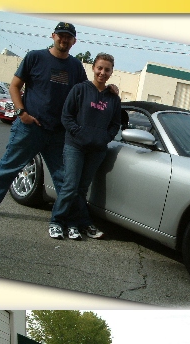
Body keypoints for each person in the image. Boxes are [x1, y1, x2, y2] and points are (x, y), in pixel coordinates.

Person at [0, 22, 87, 219]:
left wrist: (108, 90)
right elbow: (14, 86)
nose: (64, 39)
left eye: (68, 36)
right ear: (53, 36)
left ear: (74, 41)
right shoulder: (35, 57)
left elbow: (84, 94)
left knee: (62, 177)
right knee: (9, 167)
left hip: (58, 132)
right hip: (30, 127)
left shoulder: (76, 66)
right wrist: (21, 113)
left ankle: (70, 218)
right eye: (61, 35)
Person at [49, 53, 121, 240]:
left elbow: (115, 124)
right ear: (93, 68)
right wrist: (79, 133)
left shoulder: (113, 98)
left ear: (112, 72)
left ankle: (74, 224)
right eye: (99, 68)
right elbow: (66, 116)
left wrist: (105, 137)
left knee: (82, 189)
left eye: (107, 69)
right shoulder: (80, 89)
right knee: (70, 186)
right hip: (75, 146)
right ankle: (57, 221)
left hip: (97, 150)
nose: (102, 72)